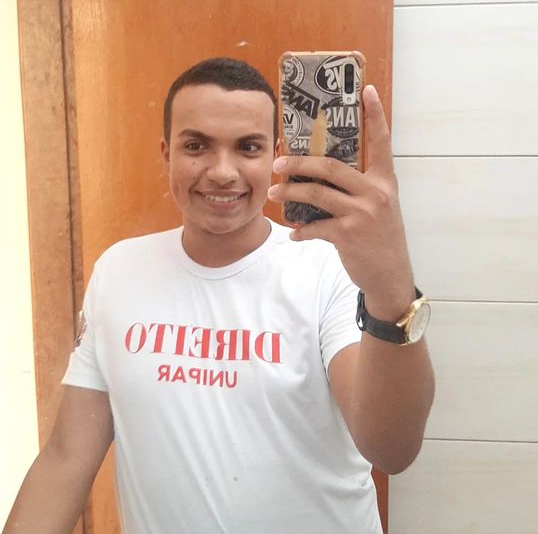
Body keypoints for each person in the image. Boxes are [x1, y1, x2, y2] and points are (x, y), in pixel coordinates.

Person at [4, 58, 434, 534]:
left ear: (275, 155)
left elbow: (392, 448)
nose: (223, 172)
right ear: (167, 153)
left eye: (248, 147)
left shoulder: (327, 265)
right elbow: (66, 458)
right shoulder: (119, 271)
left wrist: (391, 289)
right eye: (196, 146)